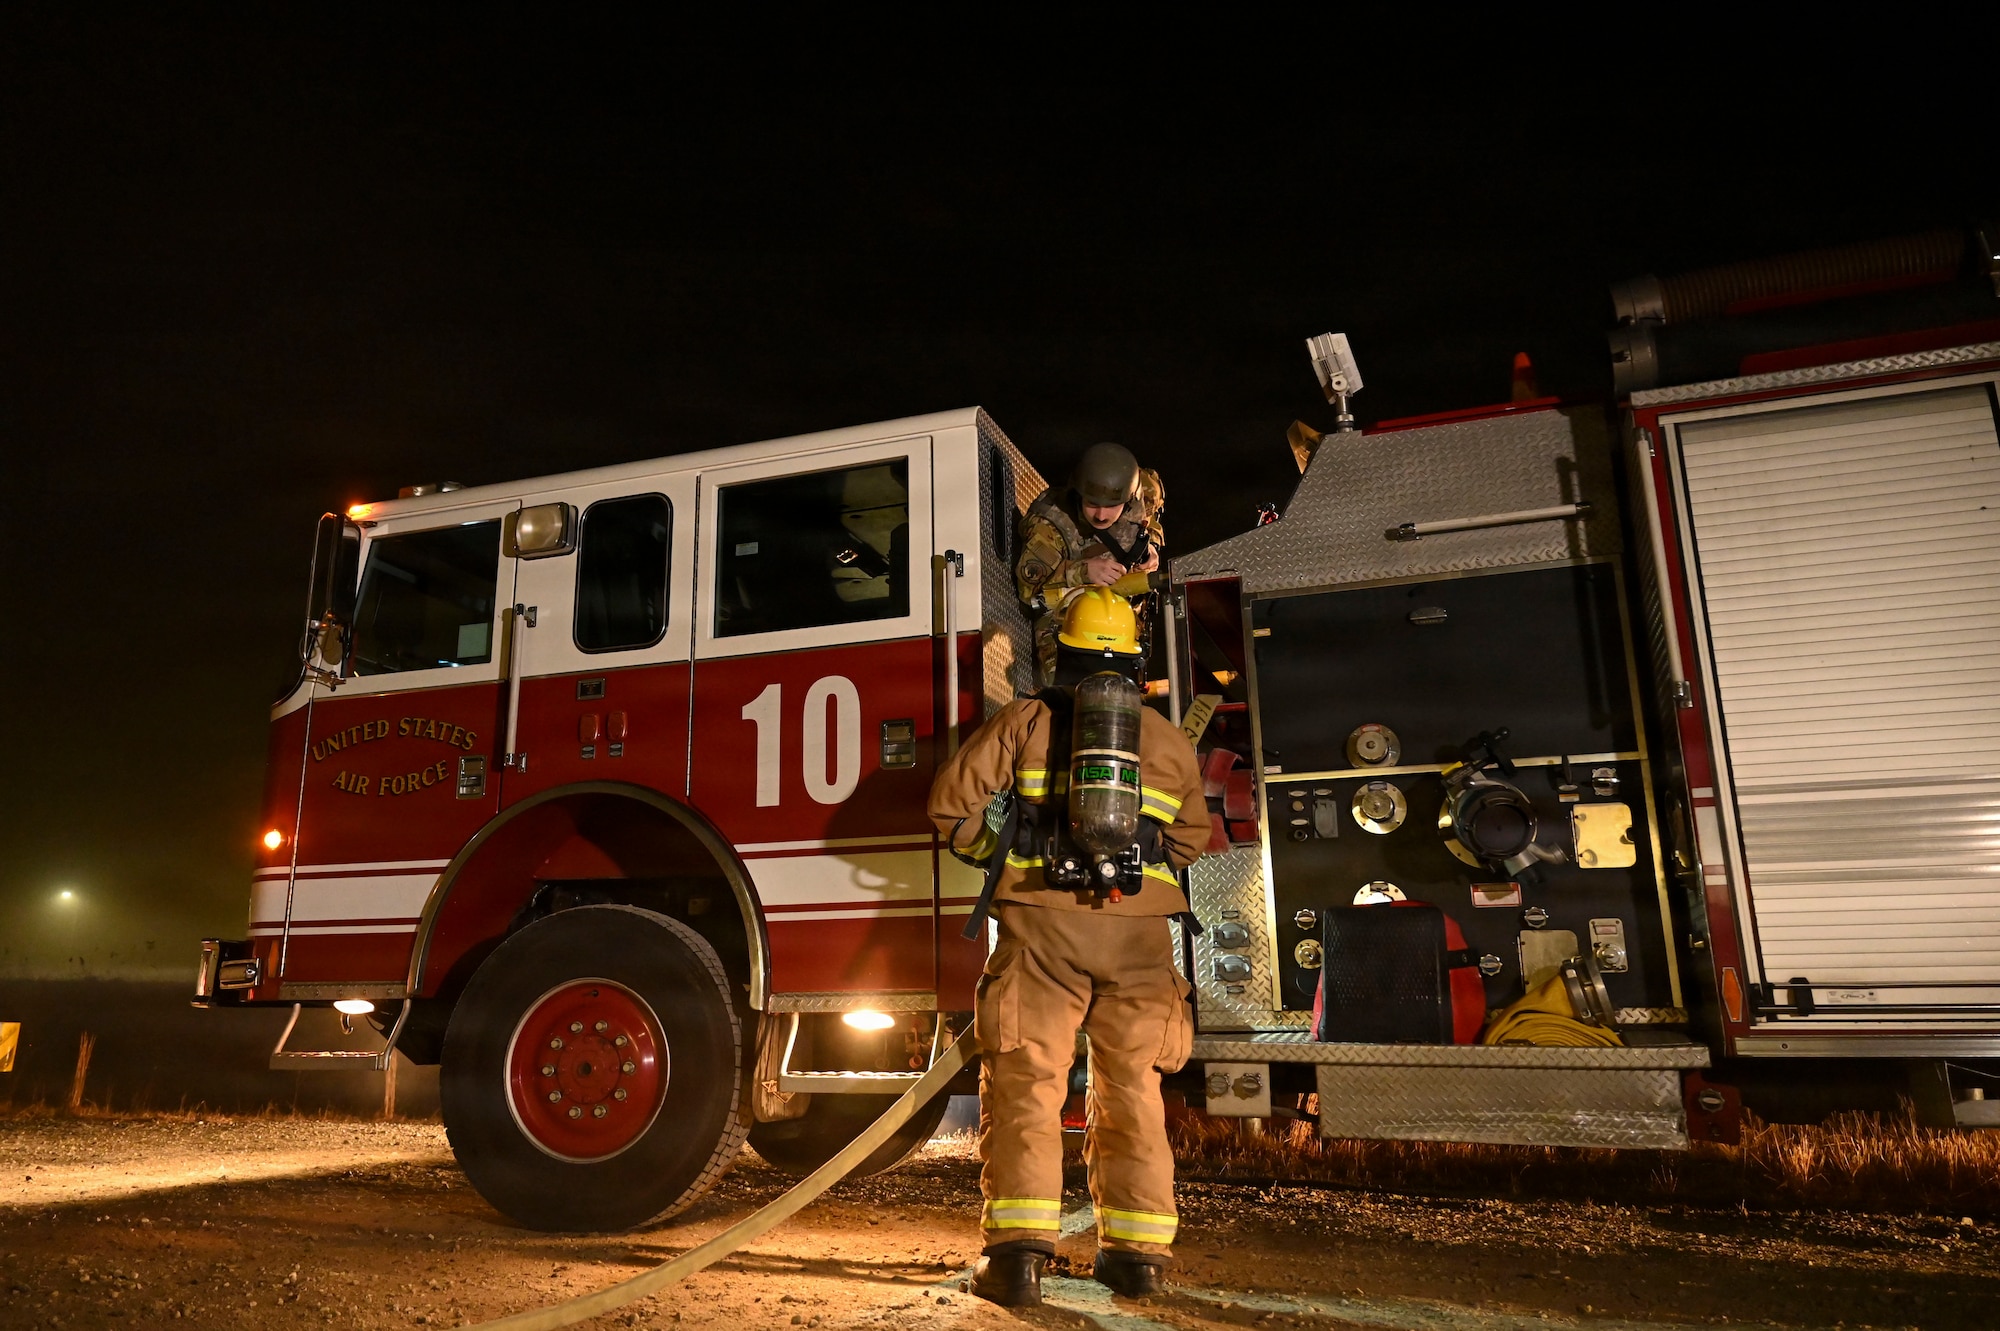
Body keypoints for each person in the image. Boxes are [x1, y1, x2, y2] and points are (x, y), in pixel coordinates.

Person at [928, 587, 1209, 1307]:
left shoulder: (1027, 719)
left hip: (1041, 930)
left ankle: (1017, 1263)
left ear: (1063, 650)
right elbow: (1191, 841)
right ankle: (1138, 1258)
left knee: (1027, 1088)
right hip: (1140, 940)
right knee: (1134, 1092)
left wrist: (1003, 850)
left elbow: (948, 805)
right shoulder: (1168, 739)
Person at [1016, 442, 1165, 686]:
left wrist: (1151, 548)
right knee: (1071, 692)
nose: (1101, 515)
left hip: (1122, 621)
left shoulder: (1145, 488)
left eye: (1111, 507)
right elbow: (1028, 592)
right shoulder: (1051, 525)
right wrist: (1083, 571)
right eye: (1092, 504)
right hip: (1068, 619)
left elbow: (1152, 518)